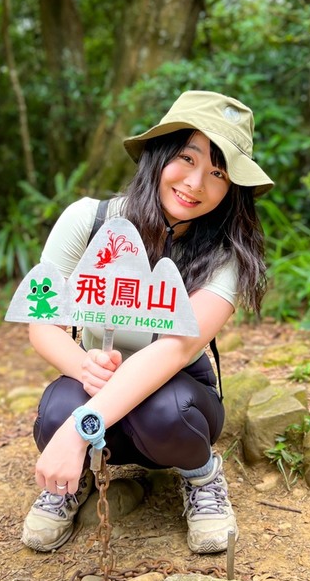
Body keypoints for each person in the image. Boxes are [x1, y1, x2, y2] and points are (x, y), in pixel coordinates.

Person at [21, 90, 274, 554]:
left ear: (232, 187)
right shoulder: (89, 219)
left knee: (164, 411)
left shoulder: (224, 256)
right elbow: (42, 321)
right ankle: (69, 480)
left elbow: (176, 348)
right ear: (159, 155)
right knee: (55, 410)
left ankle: (200, 477)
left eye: (218, 173)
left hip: (178, 390)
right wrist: (83, 369)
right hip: (95, 371)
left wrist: (80, 428)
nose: (196, 183)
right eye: (186, 157)